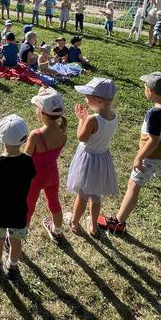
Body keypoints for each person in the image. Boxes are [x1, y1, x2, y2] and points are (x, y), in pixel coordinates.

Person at [98, 73, 161, 233]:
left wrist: (139, 157)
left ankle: (118, 222)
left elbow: (153, 140)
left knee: (133, 186)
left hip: (149, 158)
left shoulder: (154, 113)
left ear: (150, 91)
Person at [0, 114, 36, 281]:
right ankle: (12, 265)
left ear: (2, 139)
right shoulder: (28, 162)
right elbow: (30, 180)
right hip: (19, 212)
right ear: (24, 139)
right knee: (15, 240)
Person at [67, 78, 118, 237]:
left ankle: (74, 222)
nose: (85, 99)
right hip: (102, 159)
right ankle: (94, 226)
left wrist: (81, 120)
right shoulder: (113, 116)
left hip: (88, 160)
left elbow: (81, 138)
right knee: (96, 196)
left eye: (87, 96)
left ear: (99, 100)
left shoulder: (92, 119)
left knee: (83, 194)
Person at [25, 88, 67, 241]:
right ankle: (58, 231)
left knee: (28, 208)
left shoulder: (36, 135)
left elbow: (26, 159)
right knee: (54, 203)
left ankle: (17, 238)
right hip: (52, 175)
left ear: (42, 112)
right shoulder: (63, 132)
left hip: (34, 178)